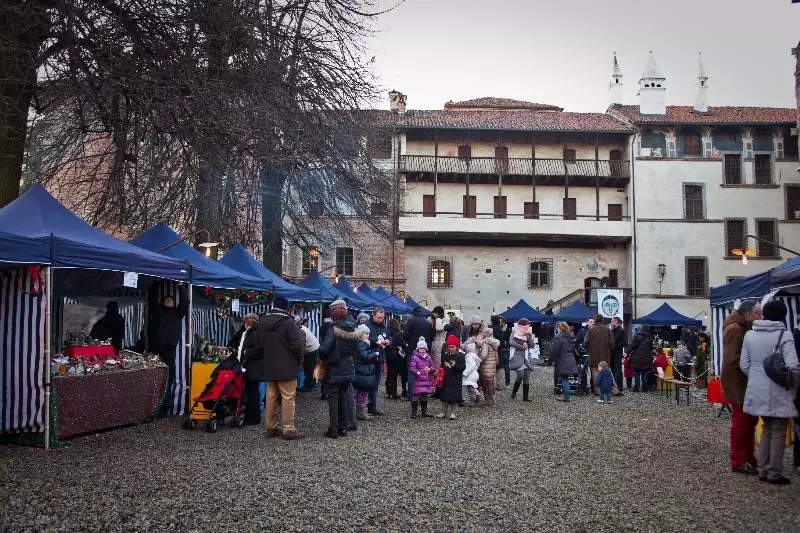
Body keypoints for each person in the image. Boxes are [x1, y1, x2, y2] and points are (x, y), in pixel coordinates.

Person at [740, 299, 800, 484]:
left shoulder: (750, 335)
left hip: (757, 388)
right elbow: (794, 366)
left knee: (765, 428)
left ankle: (763, 469)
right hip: (779, 388)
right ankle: (774, 472)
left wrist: (757, 378)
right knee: (779, 430)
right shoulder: (784, 335)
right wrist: (793, 384)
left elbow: (744, 364)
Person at [251, 295, 305, 440]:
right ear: (286, 308)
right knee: (288, 398)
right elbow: (295, 345)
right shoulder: (289, 323)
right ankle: (288, 429)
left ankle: (271, 427)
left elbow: (258, 346)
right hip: (287, 366)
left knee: (270, 397)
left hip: (269, 366)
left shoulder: (262, 322)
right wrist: (300, 359)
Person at [721, 300, 762, 475]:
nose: (760, 317)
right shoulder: (736, 329)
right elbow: (733, 359)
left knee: (748, 420)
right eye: (758, 314)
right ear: (748, 315)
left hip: (741, 381)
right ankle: (738, 459)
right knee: (741, 421)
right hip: (738, 382)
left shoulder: (740, 326)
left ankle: (747, 456)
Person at [147, 282, 189, 415]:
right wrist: (155, 283)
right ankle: (151, 409)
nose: (169, 301)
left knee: (168, 377)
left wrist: (181, 287)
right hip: (155, 349)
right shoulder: (157, 311)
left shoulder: (178, 313)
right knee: (153, 376)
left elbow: (185, 301)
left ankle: (164, 409)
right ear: (163, 302)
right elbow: (152, 299)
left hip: (169, 350)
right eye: (167, 299)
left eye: (171, 299)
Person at [318, 299, 357, 439]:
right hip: (348, 366)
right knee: (343, 397)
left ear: (333, 313)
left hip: (335, 367)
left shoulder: (333, 328)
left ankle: (333, 430)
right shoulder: (352, 328)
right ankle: (343, 428)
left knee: (333, 398)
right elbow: (355, 348)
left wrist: (321, 351)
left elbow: (324, 348)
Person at [403, 307, 434, 400]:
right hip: (425, 350)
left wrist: (410, 341)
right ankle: (423, 393)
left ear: (413, 313)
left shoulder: (410, 321)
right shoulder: (427, 323)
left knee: (412, 372)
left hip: (413, 349)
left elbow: (405, 335)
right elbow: (432, 335)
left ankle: (412, 394)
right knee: (424, 371)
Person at [366, 307, 390, 416]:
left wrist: (388, 341)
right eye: (379, 317)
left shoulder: (384, 327)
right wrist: (375, 342)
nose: (381, 319)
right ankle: (361, 406)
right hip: (369, 358)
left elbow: (389, 337)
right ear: (373, 315)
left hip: (380, 358)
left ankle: (372, 406)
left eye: (382, 317)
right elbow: (363, 339)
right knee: (366, 383)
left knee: (376, 383)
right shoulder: (367, 325)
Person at [353, 324, 379, 421]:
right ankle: (360, 413)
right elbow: (365, 356)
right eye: (366, 333)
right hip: (363, 371)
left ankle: (358, 412)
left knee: (360, 392)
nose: (368, 335)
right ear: (361, 334)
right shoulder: (361, 344)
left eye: (368, 333)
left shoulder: (361, 343)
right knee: (362, 392)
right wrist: (375, 354)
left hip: (362, 371)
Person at [585, 314, 614, 395]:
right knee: (608, 374)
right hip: (605, 356)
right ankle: (613, 391)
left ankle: (598, 392)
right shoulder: (607, 330)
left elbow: (585, 342)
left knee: (595, 375)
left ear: (595, 320)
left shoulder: (591, 330)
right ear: (602, 320)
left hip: (593, 356)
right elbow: (612, 344)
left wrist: (589, 348)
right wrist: (609, 351)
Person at [438, 335, 466, 419]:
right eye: (449, 347)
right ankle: (444, 412)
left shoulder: (460, 355)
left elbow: (463, 367)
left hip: (456, 379)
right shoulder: (445, 355)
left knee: (455, 396)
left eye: (452, 347)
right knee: (444, 396)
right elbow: (442, 365)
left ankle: (453, 412)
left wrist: (455, 365)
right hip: (446, 378)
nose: (451, 348)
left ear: (456, 346)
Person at [508, 318, 535, 402]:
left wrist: (529, 336)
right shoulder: (514, 331)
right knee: (520, 375)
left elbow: (532, 345)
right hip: (517, 356)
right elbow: (511, 342)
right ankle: (514, 392)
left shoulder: (528, 332)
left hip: (526, 357)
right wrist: (522, 346)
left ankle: (525, 397)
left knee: (526, 376)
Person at [409, 336, 436, 419]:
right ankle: (414, 412)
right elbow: (412, 368)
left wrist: (430, 369)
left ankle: (424, 412)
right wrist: (416, 372)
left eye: (424, 348)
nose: (422, 350)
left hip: (426, 380)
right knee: (415, 396)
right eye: (421, 348)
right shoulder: (414, 357)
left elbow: (433, 368)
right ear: (418, 349)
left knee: (425, 396)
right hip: (418, 380)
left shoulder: (429, 358)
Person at [551, 322, 578, 402]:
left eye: (558, 327)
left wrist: (550, 361)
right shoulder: (571, 337)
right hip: (571, 358)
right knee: (564, 377)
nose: (557, 329)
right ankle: (566, 395)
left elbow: (554, 350)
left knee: (564, 378)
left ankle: (567, 396)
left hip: (562, 359)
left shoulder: (558, 337)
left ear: (560, 328)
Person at [385, 318, 408, 399]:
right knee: (398, 374)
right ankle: (395, 394)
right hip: (397, 356)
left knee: (390, 374)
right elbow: (402, 344)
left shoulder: (387, 334)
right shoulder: (399, 334)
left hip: (388, 355)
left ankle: (389, 392)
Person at [628, 325, 653, 392]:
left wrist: (628, 352)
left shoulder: (636, 336)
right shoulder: (650, 338)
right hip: (646, 357)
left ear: (641, 329)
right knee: (644, 373)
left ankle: (636, 388)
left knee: (637, 373)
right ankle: (644, 388)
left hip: (637, 356)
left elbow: (632, 346)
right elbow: (651, 349)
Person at [297, 320, 320, 392]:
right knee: (311, 367)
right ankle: (311, 383)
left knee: (308, 368)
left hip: (311, 349)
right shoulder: (302, 327)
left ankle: (308, 386)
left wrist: (300, 356)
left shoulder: (300, 331)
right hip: (314, 347)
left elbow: (301, 345)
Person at [479, 327, 499, 406]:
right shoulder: (495, 343)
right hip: (492, 364)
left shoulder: (485, 343)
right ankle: (492, 396)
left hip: (486, 365)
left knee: (485, 382)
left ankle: (487, 398)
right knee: (491, 381)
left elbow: (484, 354)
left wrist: (479, 359)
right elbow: (496, 355)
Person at [492, 317, 511, 391]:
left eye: (500, 322)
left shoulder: (508, 330)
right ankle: (497, 383)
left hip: (505, 350)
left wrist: (506, 343)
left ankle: (507, 382)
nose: (499, 323)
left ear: (504, 322)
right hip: (499, 350)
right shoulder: (496, 330)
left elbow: (511, 341)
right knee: (498, 367)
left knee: (506, 367)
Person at [610, 316, 627, 396]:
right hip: (612, 354)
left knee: (618, 371)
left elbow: (625, 343)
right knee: (612, 371)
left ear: (616, 322)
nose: (611, 322)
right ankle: (614, 388)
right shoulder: (612, 330)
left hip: (617, 354)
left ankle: (619, 388)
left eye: (612, 321)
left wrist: (615, 346)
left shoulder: (621, 331)